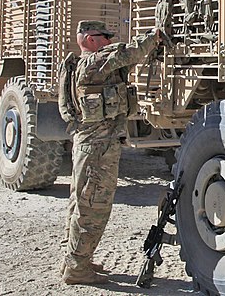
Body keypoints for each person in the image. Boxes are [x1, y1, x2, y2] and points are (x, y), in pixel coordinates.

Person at [58, 20, 164, 285]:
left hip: (89, 143)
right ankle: (77, 269)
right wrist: (155, 36)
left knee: (80, 204)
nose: (108, 41)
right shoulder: (95, 62)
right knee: (93, 206)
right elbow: (129, 52)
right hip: (98, 147)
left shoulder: (84, 66)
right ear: (90, 40)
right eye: (104, 37)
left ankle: (76, 259)